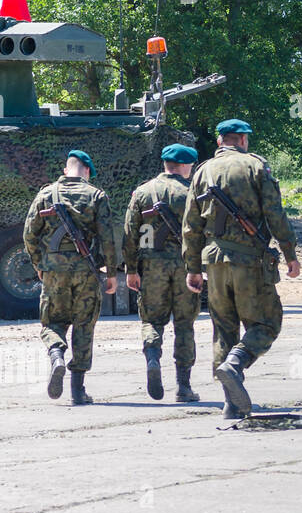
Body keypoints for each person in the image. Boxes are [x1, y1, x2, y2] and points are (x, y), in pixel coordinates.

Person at [181, 119, 299, 418]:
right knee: (266, 323)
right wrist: (290, 253)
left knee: (224, 329)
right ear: (243, 140)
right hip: (249, 261)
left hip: (214, 263)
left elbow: (190, 225)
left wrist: (193, 268)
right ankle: (235, 364)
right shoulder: (256, 166)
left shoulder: (202, 171)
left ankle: (230, 404)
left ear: (221, 141)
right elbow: (275, 213)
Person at [24, 150, 119, 405]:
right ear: (87, 171)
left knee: (52, 323)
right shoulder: (96, 196)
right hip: (86, 272)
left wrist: (39, 264)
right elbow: (108, 239)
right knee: (84, 325)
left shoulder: (46, 194)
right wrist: (111, 273)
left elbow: (29, 234)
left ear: (66, 169)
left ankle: (56, 354)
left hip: (54, 272)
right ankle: (78, 390)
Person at [124, 143, 201, 402]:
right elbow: (203, 232)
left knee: (151, 321)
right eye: (190, 166)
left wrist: (131, 270)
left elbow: (129, 234)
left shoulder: (142, 192)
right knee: (184, 325)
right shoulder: (190, 193)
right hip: (185, 269)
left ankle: (153, 358)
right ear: (183, 166)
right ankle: (183, 387)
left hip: (150, 267)